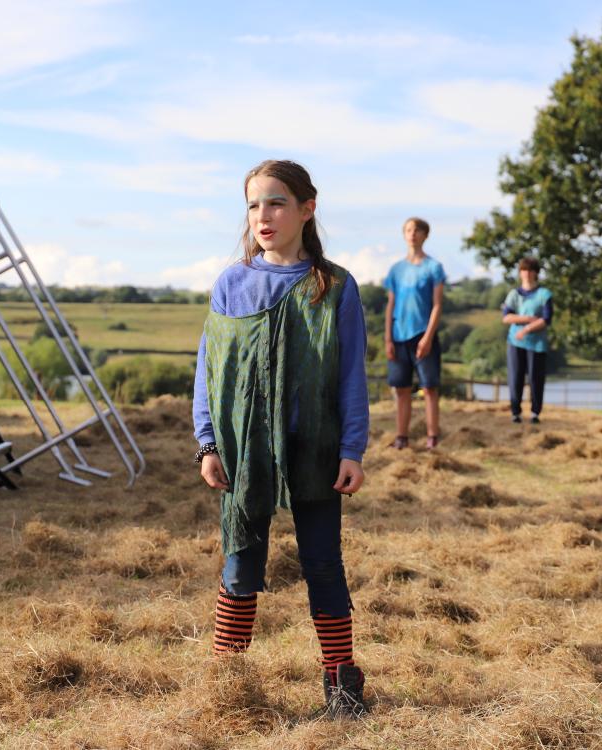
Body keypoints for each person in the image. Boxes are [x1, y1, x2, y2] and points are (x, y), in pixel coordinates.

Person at [192, 160, 370, 718]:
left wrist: (352, 450)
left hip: (314, 446)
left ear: (306, 209)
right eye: (253, 205)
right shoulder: (232, 283)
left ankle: (341, 689)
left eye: (276, 203)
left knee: (322, 564)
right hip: (243, 451)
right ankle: (228, 686)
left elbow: (351, 375)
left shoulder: (335, 286)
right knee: (241, 563)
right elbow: (209, 369)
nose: (263, 216)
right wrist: (208, 444)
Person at [383, 217, 444, 449]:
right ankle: (401, 437)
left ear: (425, 235)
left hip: (423, 334)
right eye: (408, 230)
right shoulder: (396, 270)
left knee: (429, 388)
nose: (412, 234)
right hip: (398, 335)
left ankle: (432, 437)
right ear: (404, 234)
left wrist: (428, 337)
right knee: (401, 389)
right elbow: (390, 305)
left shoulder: (433, 267)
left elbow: (437, 304)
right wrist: (388, 338)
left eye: (417, 230)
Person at [501, 257, 553, 423]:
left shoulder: (544, 294)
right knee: (515, 376)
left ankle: (535, 412)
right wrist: (528, 319)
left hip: (537, 343)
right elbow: (506, 317)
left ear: (536, 273)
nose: (527, 274)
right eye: (524, 270)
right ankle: (515, 412)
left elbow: (546, 319)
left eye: (530, 270)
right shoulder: (514, 295)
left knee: (535, 378)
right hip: (515, 342)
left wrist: (527, 329)